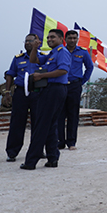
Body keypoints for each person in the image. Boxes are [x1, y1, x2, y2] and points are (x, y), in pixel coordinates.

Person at [21, 29, 71, 170]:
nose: (49, 40)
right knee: (50, 125)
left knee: (41, 125)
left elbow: (63, 71)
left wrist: (42, 76)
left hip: (55, 90)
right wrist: (35, 47)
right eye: (48, 38)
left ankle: (31, 162)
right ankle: (52, 158)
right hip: (49, 90)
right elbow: (33, 60)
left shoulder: (62, 52)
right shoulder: (52, 53)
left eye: (53, 37)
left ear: (61, 39)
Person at [58, 29, 93, 150]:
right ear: (65, 40)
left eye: (74, 38)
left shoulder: (82, 52)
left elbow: (89, 67)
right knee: (59, 114)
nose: (72, 40)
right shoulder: (60, 51)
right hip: (61, 85)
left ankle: (71, 142)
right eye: (70, 38)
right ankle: (60, 141)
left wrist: (82, 81)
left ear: (77, 39)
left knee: (73, 114)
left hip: (74, 85)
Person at [5, 34, 38, 162]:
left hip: (37, 93)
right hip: (20, 93)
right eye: (26, 41)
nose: (28, 43)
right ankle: (12, 152)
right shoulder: (18, 58)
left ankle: (37, 150)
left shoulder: (43, 57)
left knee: (38, 122)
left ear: (37, 43)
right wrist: (7, 92)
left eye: (31, 41)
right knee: (17, 122)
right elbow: (10, 74)